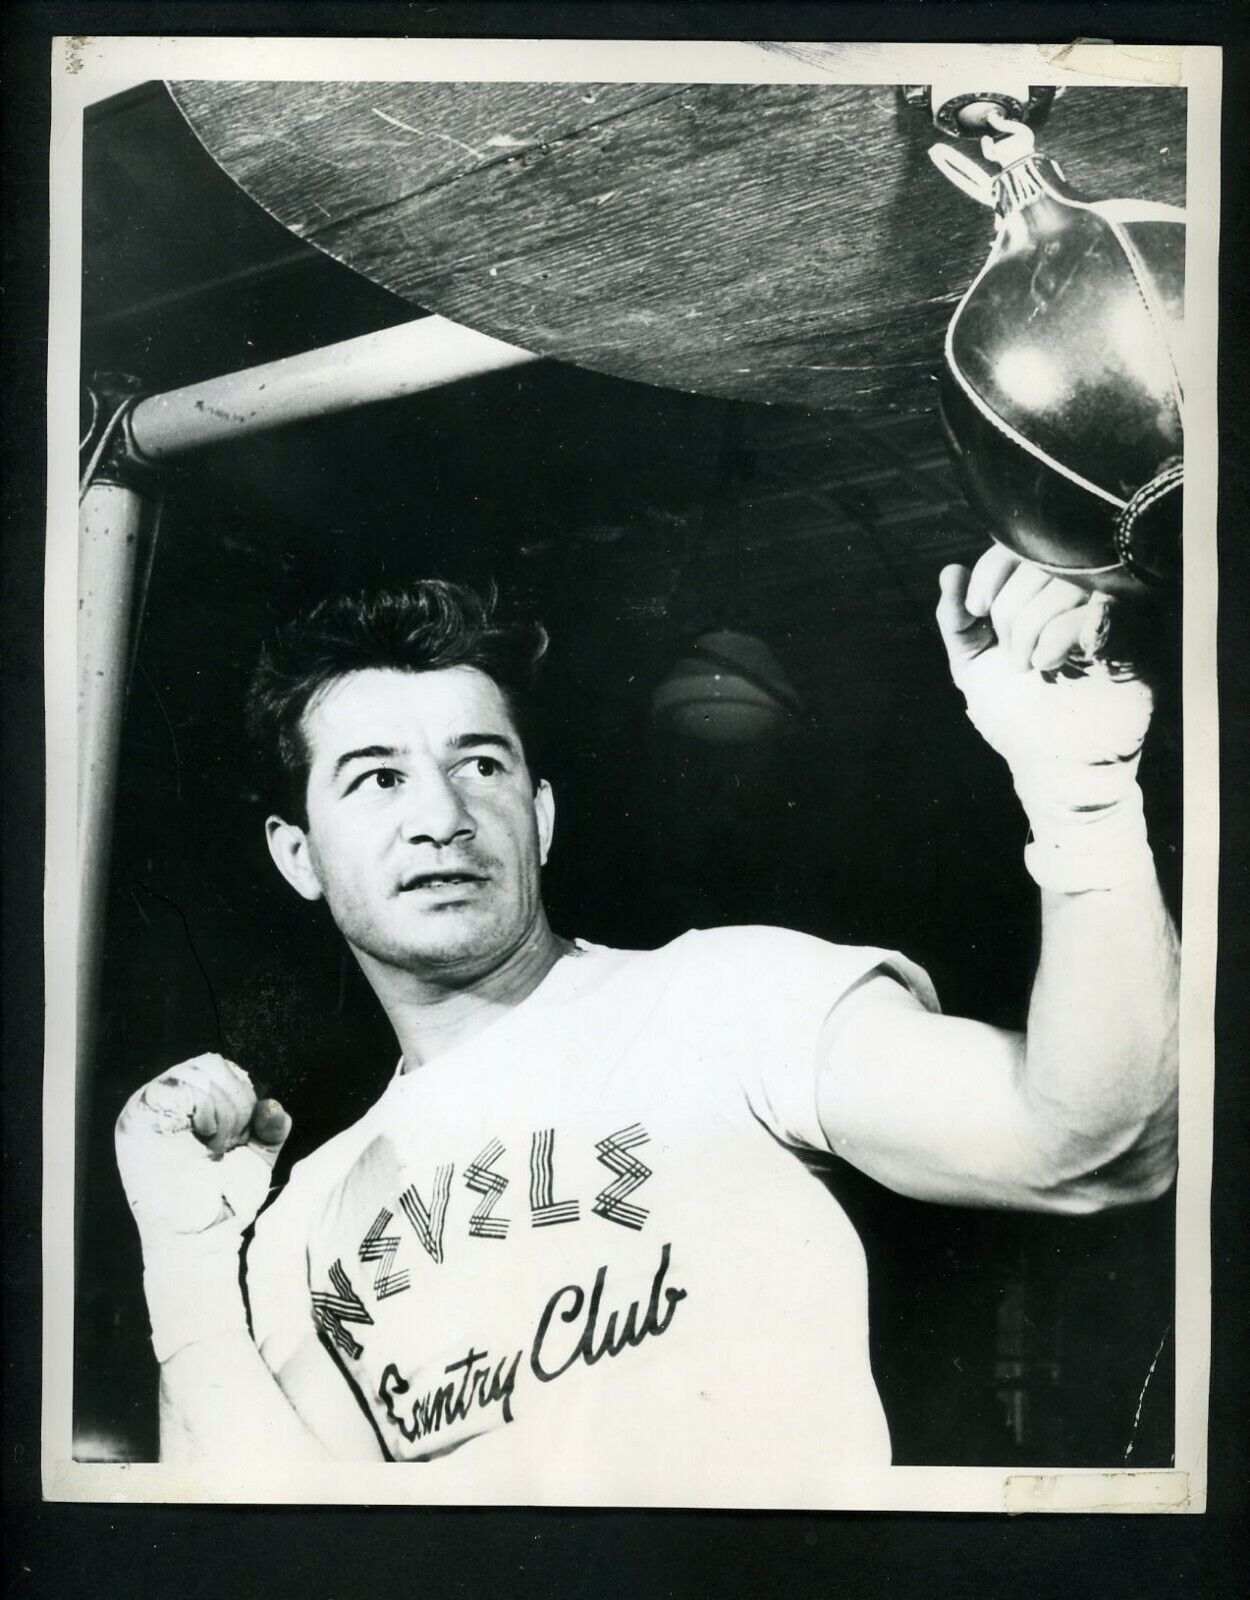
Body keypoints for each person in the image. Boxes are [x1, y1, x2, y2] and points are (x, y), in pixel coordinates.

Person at [114, 547, 1178, 1499]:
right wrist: (186, 1255)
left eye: (480, 764)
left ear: (538, 814)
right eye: (376, 777)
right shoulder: (303, 1211)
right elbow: (279, 1542)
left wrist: (1079, 796)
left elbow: (1094, 1148)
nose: (440, 815)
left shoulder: (720, 998)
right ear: (296, 853)